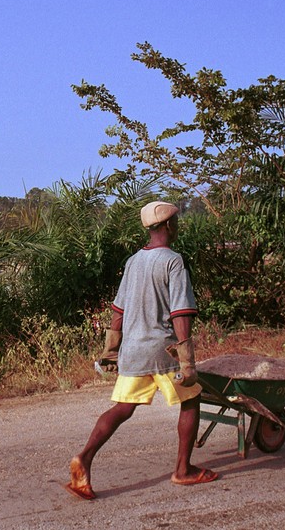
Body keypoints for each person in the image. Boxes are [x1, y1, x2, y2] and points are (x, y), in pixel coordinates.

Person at [66, 201, 218, 499]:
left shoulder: (134, 261)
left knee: (122, 408)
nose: (178, 227)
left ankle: (84, 457)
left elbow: (118, 310)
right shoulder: (173, 261)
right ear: (168, 226)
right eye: (177, 222)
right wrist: (186, 359)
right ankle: (183, 470)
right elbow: (181, 312)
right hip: (163, 350)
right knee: (192, 400)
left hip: (133, 351)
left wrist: (112, 349)